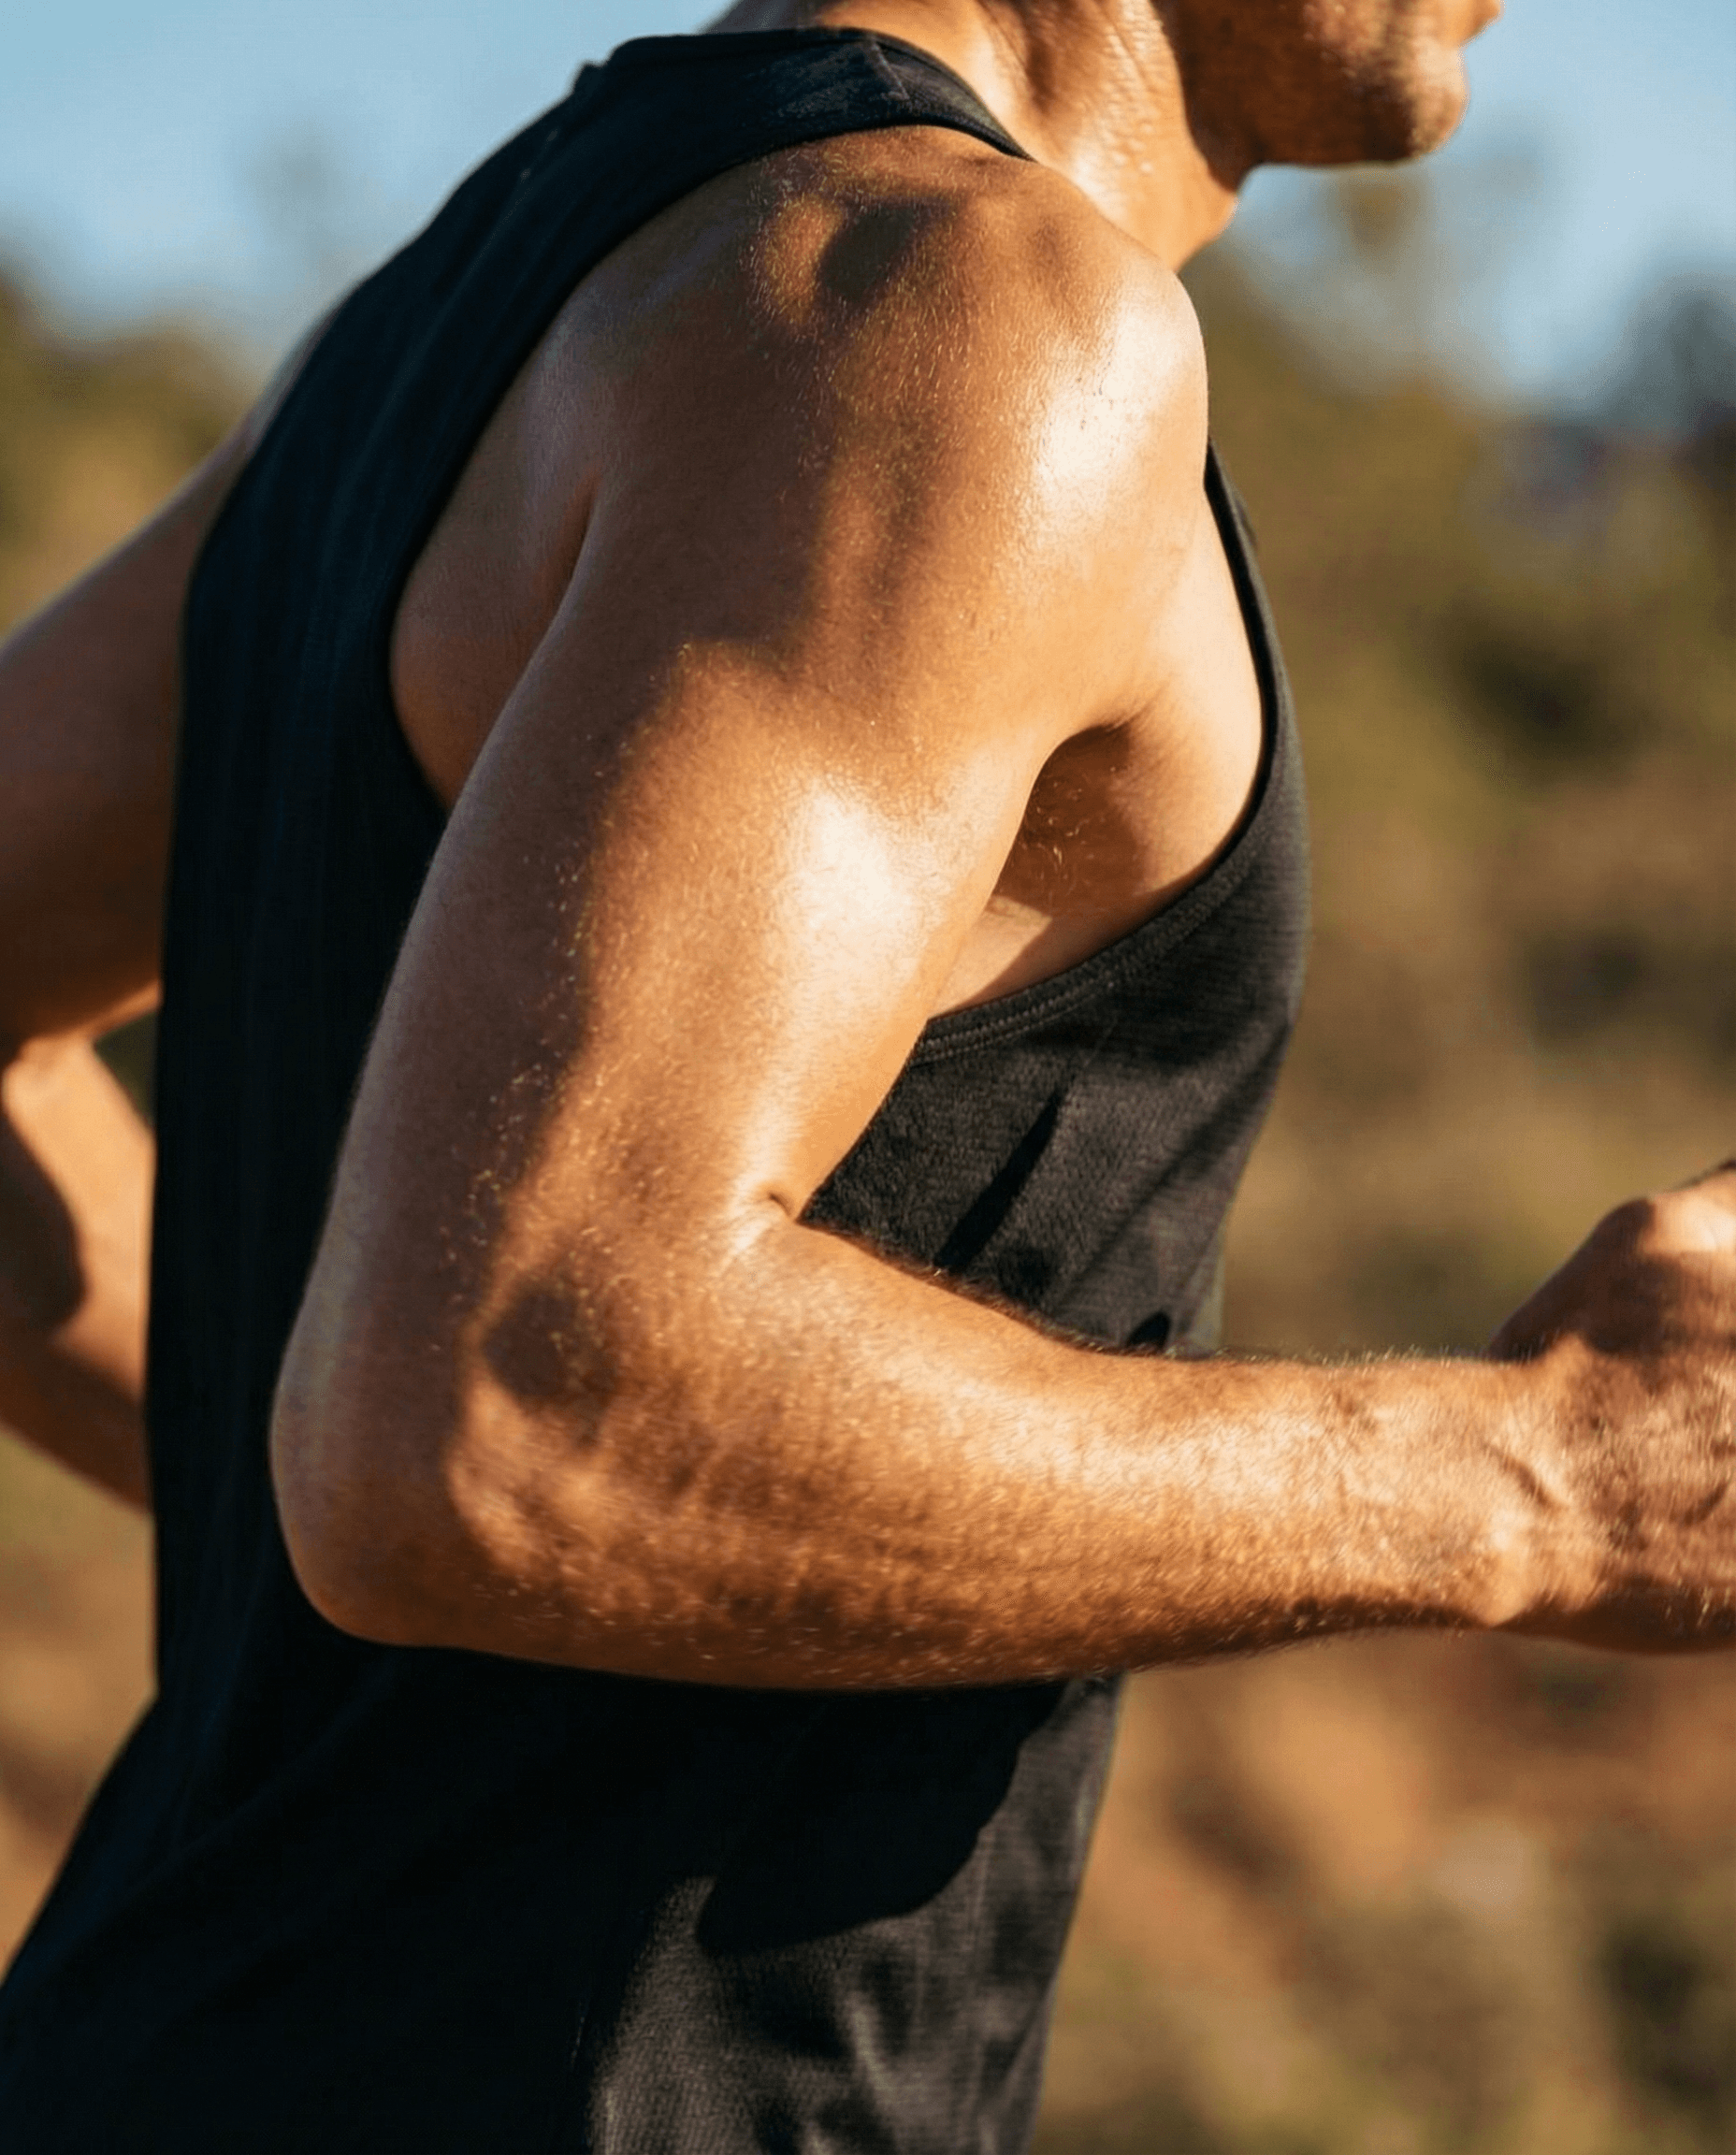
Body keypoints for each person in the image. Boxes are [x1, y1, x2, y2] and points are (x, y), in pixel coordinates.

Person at [0, 2, 1729, 2147]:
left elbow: (438, 1436)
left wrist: (345, 1497)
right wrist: (1542, 1479)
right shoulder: (974, 320)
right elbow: (508, 1409)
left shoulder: (493, 302)